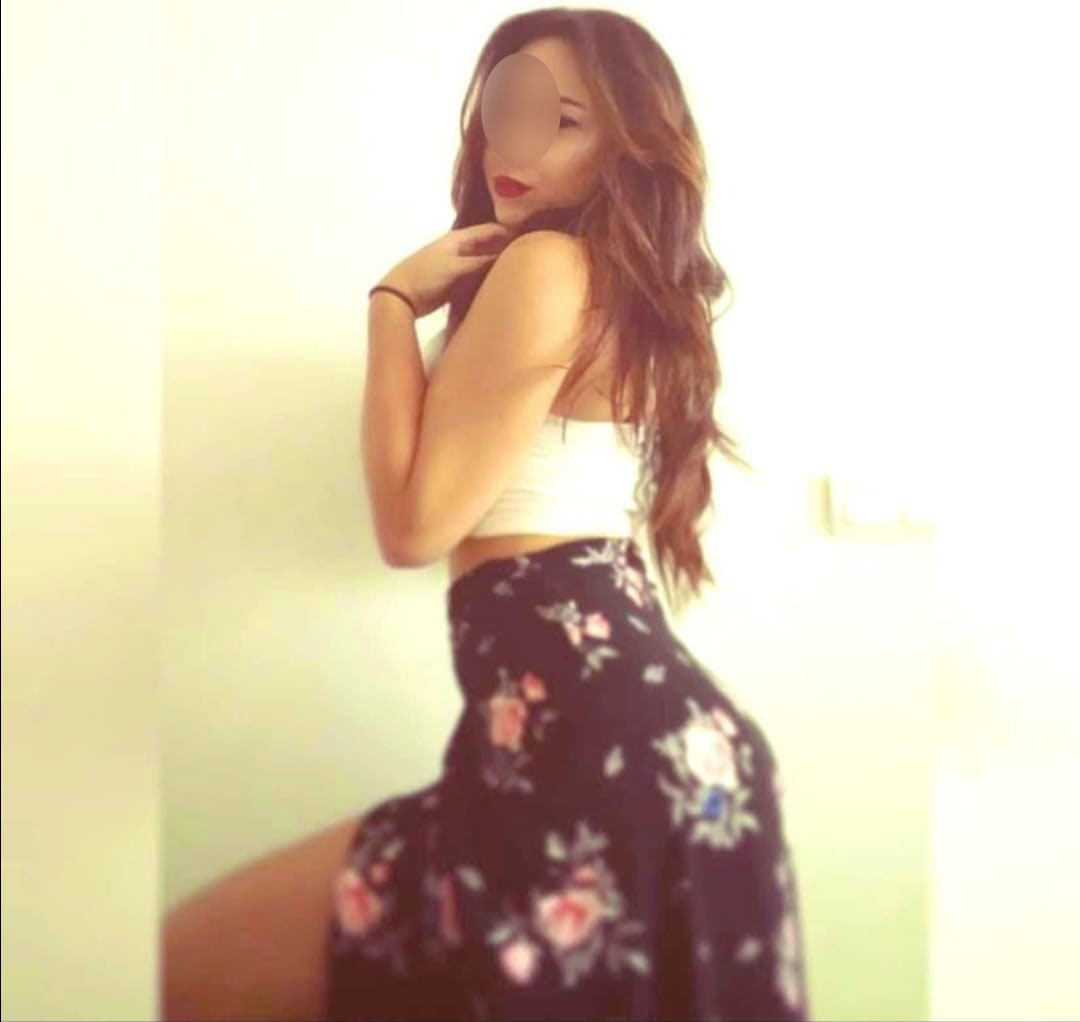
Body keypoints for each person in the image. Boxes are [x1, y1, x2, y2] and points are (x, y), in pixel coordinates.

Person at [162, 9, 810, 1022]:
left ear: (625, 148)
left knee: (181, 966)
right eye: (507, 111)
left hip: (595, 747)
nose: (517, 143)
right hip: (644, 746)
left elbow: (413, 528)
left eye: (564, 121)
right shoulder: (618, 287)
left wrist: (390, 301)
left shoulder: (548, 266)